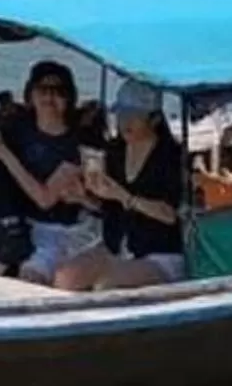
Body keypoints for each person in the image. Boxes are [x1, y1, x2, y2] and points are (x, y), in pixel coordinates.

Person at [0, 59, 103, 281]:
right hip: (12, 219)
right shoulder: (17, 127)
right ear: (30, 94)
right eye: (43, 89)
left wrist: (5, 155)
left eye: (58, 91)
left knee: (31, 275)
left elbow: (45, 198)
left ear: (69, 98)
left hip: (55, 228)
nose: (49, 98)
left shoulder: (77, 144)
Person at [53, 82, 190, 290]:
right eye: (121, 115)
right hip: (117, 246)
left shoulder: (171, 157)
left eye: (134, 116)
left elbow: (169, 214)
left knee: (108, 286)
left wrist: (125, 197)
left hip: (159, 252)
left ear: (154, 119)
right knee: (65, 278)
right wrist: (85, 198)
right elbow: (109, 207)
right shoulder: (115, 151)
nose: (125, 122)